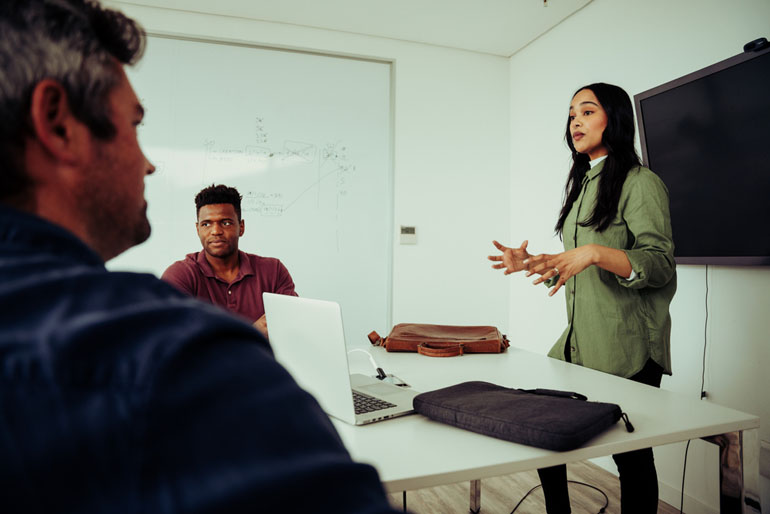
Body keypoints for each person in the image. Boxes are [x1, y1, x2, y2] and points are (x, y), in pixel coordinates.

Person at [0, 1, 400, 512]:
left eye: (225, 221)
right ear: (58, 125)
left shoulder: (258, 280)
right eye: (134, 125)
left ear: (240, 225)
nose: (147, 164)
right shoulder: (178, 357)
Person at [488, 83, 676, 513]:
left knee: (631, 457)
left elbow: (659, 263)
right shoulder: (585, 183)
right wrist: (535, 261)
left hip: (627, 345)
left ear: (614, 117)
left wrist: (594, 252)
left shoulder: (641, 182)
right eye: (572, 113)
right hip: (579, 339)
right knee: (541, 427)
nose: (575, 120)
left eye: (587, 111)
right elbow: (576, 261)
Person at [162, 184, 296, 338]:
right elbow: (174, 339)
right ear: (198, 229)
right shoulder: (181, 275)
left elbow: (290, 327)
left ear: (241, 227)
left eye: (225, 223)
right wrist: (252, 332)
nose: (216, 231)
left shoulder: (273, 270)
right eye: (206, 224)